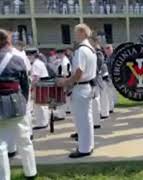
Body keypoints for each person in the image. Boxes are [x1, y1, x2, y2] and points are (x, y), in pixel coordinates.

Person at [0, 29, 37, 180]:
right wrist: (24, 102)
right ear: (9, 41)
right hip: (16, 103)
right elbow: (26, 85)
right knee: (25, 141)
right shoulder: (18, 59)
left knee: (0, 145)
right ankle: (31, 173)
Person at [57, 23, 97, 158]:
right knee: (87, 119)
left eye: (76, 32)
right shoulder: (91, 49)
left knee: (82, 120)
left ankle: (84, 149)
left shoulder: (81, 50)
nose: (74, 35)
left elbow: (79, 71)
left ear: (82, 32)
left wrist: (66, 82)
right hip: (87, 86)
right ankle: (88, 145)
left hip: (81, 87)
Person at [27, 48, 50, 130]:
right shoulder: (39, 62)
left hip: (40, 85)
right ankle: (44, 122)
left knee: (39, 105)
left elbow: (36, 78)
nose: (28, 57)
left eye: (29, 55)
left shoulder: (36, 64)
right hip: (43, 84)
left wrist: (31, 87)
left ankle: (42, 123)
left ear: (33, 55)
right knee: (42, 105)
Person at [54, 49, 71, 120]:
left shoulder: (64, 62)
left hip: (63, 80)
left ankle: (61, 115)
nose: (56, 55)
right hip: (62, 80)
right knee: (63, 99)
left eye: (58, 54)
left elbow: (65, 74)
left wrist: (64, 85)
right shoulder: (62, 60)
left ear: (62, 54)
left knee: (62, 99)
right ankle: (61, 114)